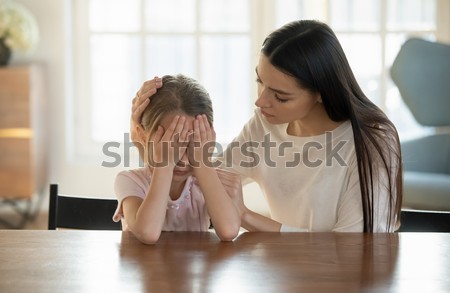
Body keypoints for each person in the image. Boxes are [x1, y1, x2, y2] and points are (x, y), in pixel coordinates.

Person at [131, 20, 403, 233]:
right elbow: (196, 176)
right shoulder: (266, 125)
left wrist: (247, 217)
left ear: (321, 92)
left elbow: (354, 248)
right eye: (260, 81)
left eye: (280, 96)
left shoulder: (373, 141)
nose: (260, 101)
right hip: (284, 277)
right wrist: (141, 135)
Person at [114, 74, 241, 244]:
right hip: (145, 270)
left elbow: (229, 231)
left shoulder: (203, 180)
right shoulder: (130, 181)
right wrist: (164, 165)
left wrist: (202, 163)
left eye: (192, 145)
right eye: (172, 145)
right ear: (142, 136)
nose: (182, 159)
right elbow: (148, 233)